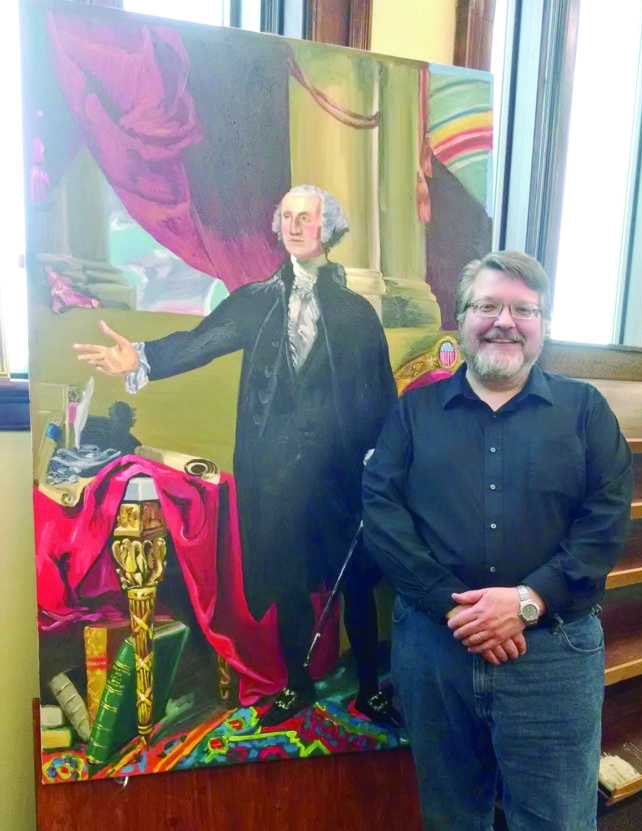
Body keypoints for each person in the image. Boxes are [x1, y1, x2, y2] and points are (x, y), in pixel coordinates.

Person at [75, 184, 401, 728]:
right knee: (289, 583)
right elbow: (202, 341)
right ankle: (297, 685)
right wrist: (143, 358)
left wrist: (380, 458)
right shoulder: (257, 299)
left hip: (341, 474)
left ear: (328, 229)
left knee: (355, 582)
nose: (294, 226)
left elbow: (380, 393)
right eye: (287, 217)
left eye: (306, 218)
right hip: (275, 475)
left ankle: (369, 689)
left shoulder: (356, 312)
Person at [362, 250, 633, 831]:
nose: (504, 321)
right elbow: (381, 512)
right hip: (435, 652)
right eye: (487, 306)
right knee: (452, 822)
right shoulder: (413, 413)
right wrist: (452, 606)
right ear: (462, 319)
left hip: (553, 654)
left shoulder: (585, 411)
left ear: (543, 324)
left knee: (557, 827)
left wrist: (529, 600)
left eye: (523, 309)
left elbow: (605, 522)